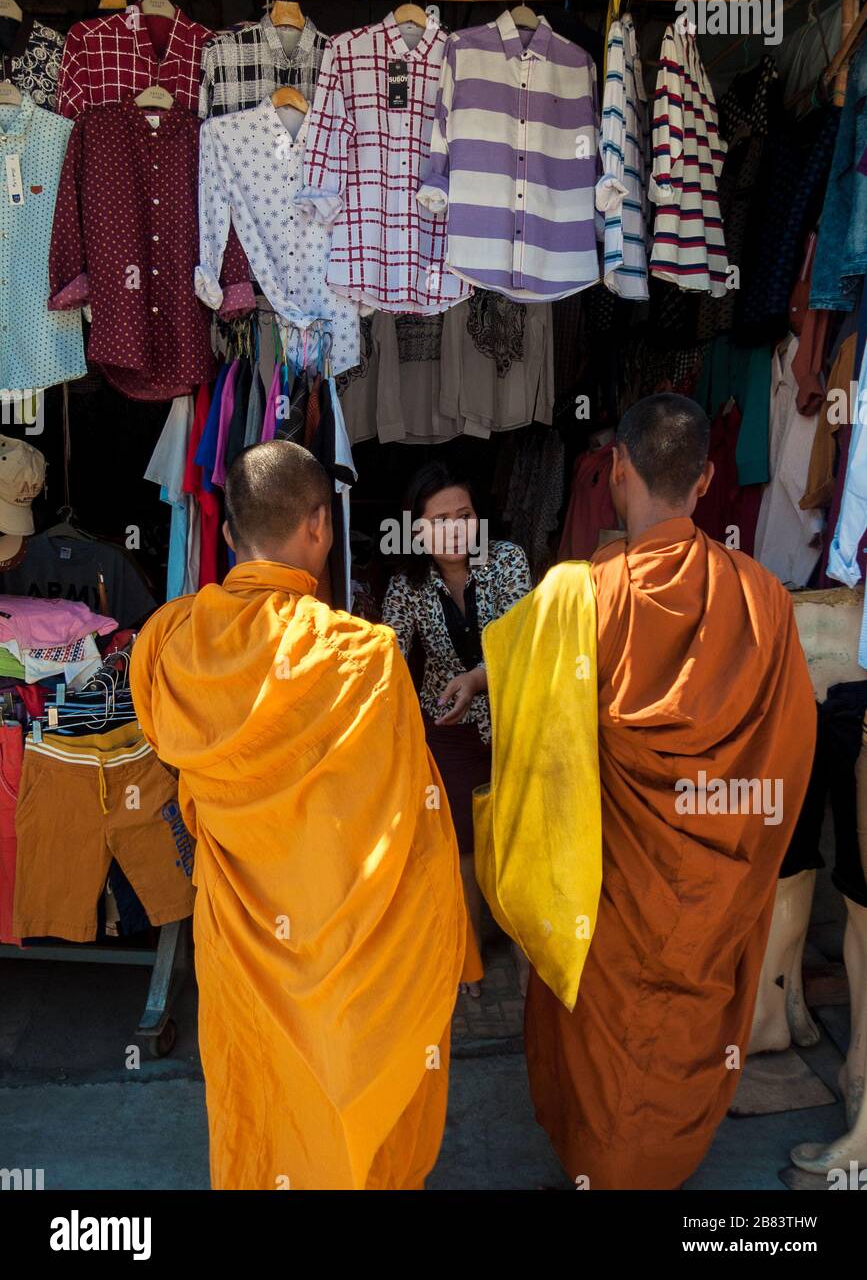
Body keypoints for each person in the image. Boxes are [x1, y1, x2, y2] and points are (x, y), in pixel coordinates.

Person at [130, 440, 469, 1191]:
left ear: (226, 534)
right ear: (320, 525)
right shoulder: (366, 655)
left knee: (259, 1094)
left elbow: (162, 742)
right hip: (343, 942)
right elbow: (410, 824)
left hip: (241, 934)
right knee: (345, 1089)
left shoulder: (169, 641)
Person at [523, 393, 816, 1190]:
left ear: (615, 467)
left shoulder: (575, 592)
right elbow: (788, 755)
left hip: (609, 890)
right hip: (710, 889)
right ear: (708, 478)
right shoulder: (763, 597)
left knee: (605, 1047)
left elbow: (538, 750)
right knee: (677, 1038)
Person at [382, 462, 532, 997]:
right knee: (461, 843)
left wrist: (478, 679)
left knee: (518, 836)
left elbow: (524, 643)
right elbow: (390, 656)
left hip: (515, 720)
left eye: (464, 516)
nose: (454, 531)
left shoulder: (508, 560)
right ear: (416, 530)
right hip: (448, 725)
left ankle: (527, 948)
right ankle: (466, 946)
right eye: (438, 520)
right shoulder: (406, 584)